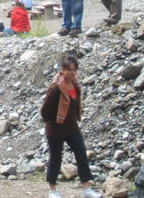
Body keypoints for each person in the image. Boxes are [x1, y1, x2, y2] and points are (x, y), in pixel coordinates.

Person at [40, 54, 102, 198]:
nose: (72, 73)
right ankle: (53, 190)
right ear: (62, 70)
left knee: (81, 154)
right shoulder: (56, 87)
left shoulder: (75, 84)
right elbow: (45, 111)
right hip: (55, 130)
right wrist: (55, 121)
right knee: (55, 158)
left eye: (74, 70)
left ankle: (86, 189)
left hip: (72, 127)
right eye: (69, 70)